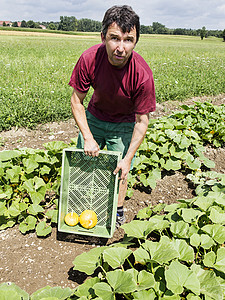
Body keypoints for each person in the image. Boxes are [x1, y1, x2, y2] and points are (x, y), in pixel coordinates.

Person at [69, 5, 156, 228]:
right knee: (85, 164)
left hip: (125, 122)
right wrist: (87, 136)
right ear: (103, 37)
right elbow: (77, 101)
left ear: (135, 42)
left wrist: (127, 159)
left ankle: (117, 209)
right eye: (114, 38)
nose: (120, 48)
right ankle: (83, 206)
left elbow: (141, 121)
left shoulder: (142, 75)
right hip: (95, 117)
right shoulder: (89, 59)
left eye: (128, 40)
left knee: (121, 172)